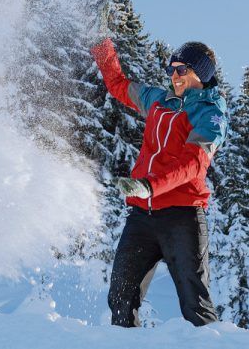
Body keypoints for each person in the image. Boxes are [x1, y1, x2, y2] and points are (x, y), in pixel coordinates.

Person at [90, 37, 228, 327]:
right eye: (171, 69)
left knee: (195, 306)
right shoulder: (158, 99)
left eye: (181, 70)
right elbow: (118, 85)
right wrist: (102, 44)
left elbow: (193, 164)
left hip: (183, 215)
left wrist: (151, 185)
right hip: (142, 216)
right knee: (121, 299)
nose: (173, 76)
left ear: (200, 74)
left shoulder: (210, 113)